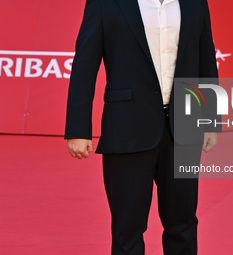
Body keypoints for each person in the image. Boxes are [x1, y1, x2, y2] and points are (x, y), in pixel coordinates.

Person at [65, 0, 220, 254]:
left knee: (183, 224)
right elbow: (84, 66)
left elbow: (206, 58)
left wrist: (210, 120)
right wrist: (78, 129)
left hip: (183, 128)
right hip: (127, 128)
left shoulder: (195, 3)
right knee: (128, 229)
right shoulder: (105, 4)